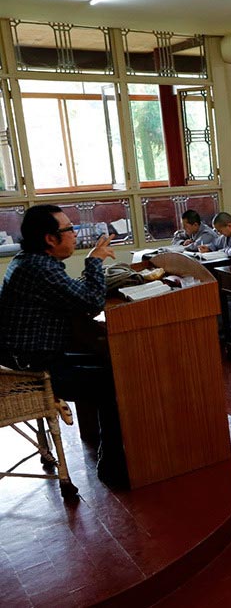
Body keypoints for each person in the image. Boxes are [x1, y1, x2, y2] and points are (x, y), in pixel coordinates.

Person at [0, 205, 126, 486]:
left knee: (110, 363)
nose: (74, 234)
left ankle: (102, 441)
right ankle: (114, 469)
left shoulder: (31, 262)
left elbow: (76, 295)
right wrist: (94, 260)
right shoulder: (38, 268)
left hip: (32, 355)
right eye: (69, 229)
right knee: (114, 382)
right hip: (32, 366)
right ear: (50, 239)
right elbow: (92, 302)